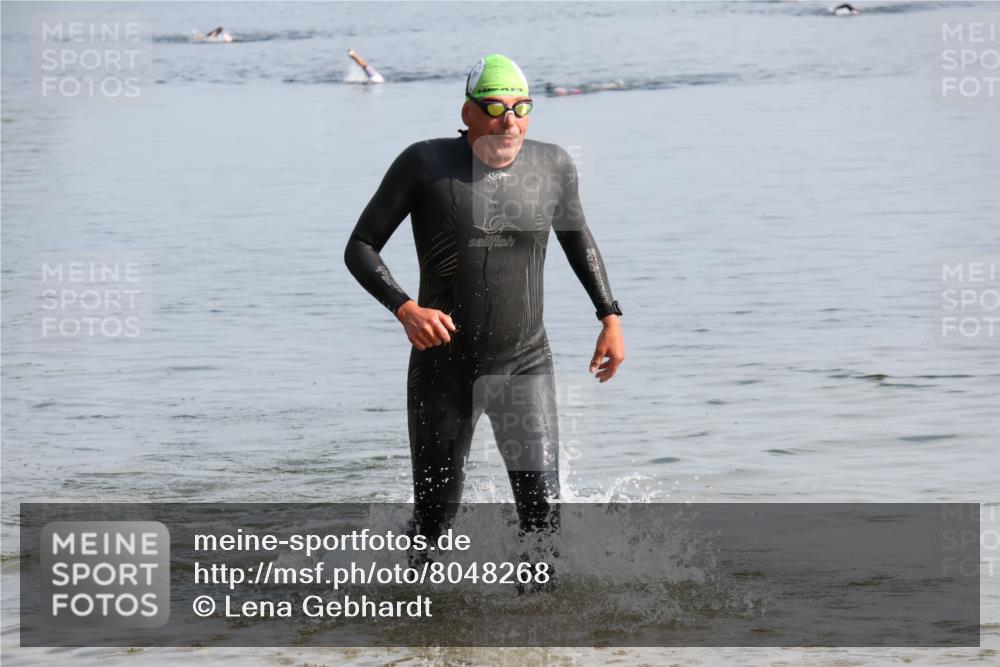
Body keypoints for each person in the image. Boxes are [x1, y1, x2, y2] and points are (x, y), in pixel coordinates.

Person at [345, 54, 625, 567]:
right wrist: (405, 308)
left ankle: (535, 637)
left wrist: (609, 316)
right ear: (468, 112)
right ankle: (412, 621)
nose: (509, 119)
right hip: (443, 367)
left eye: (521, 107)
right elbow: (360, 245)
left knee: (543, 516)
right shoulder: (425, 164)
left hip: (525, 363)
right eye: (495, 107)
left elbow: (577, 237)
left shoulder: (552, 164)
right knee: (435, 517)